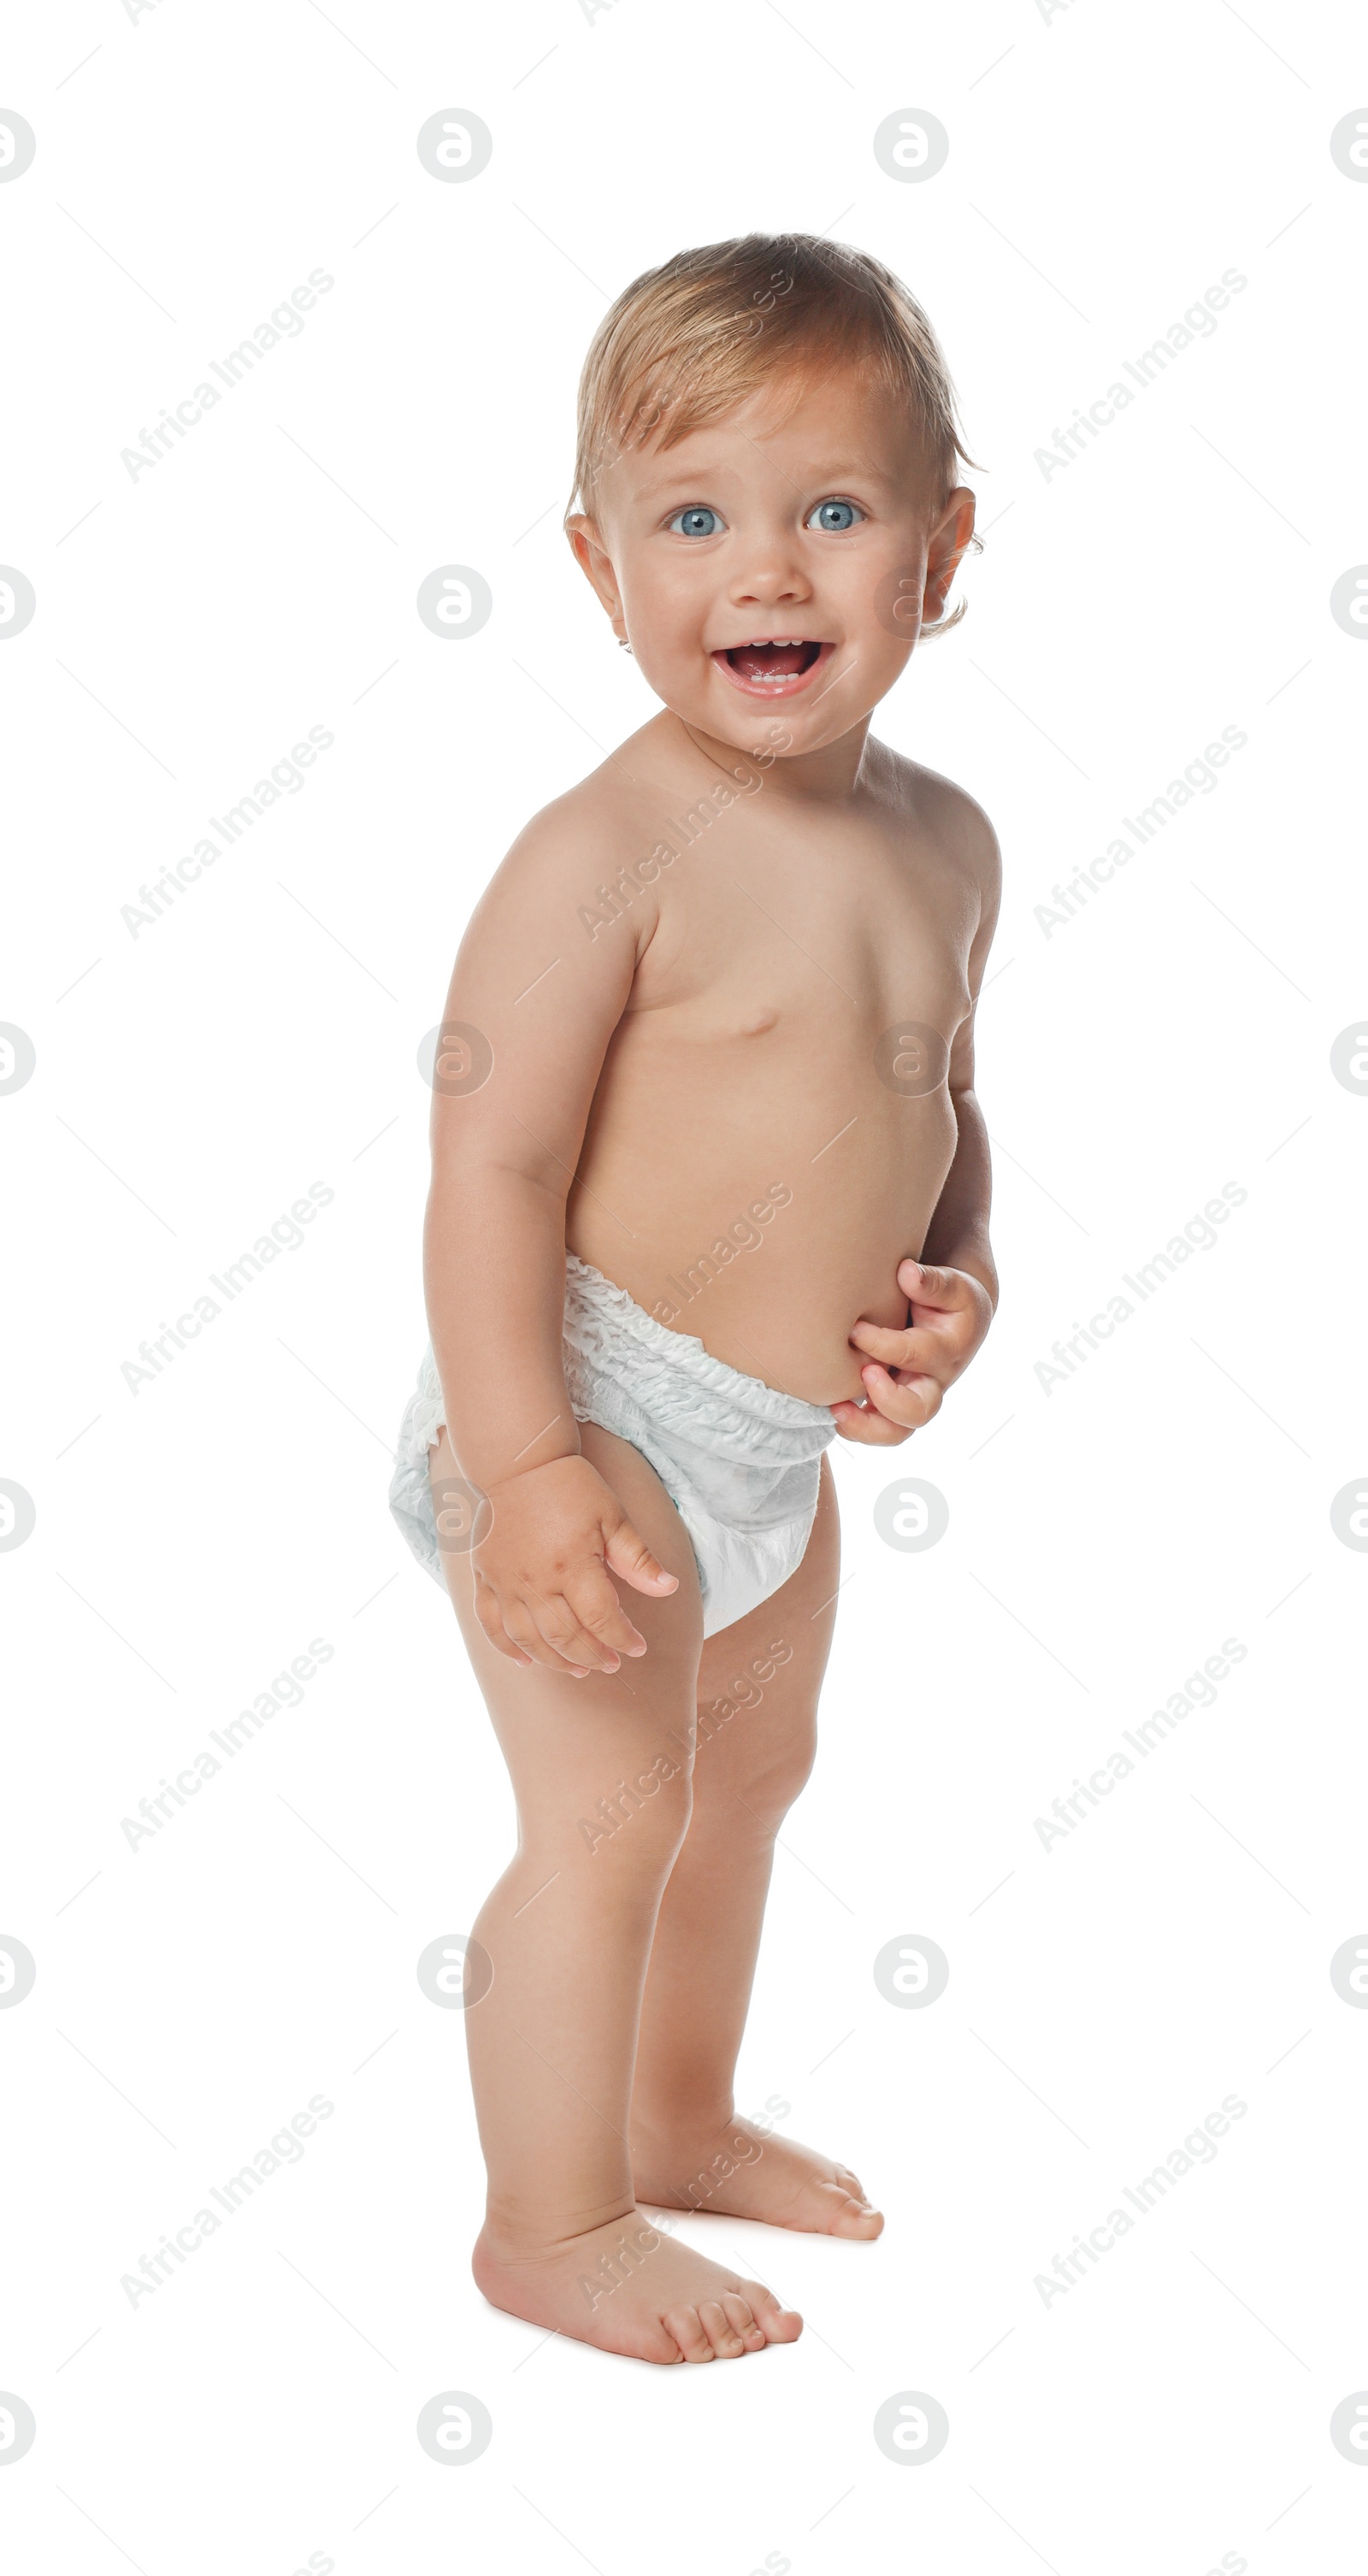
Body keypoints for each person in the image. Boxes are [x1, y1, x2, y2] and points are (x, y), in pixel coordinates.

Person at [390, 233, 999, 2365]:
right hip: (582, 1403)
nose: (767, 566)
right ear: (595, 565)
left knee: (750, 1778)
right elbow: (493, 1166)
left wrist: (963, 1283)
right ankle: (545, 2220)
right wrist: (529, 1464)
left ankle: (669, 2116)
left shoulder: (946, 842)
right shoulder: (606, 853)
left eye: (832, 510)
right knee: (608, 1812)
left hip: (760, 1445)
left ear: (940, 550)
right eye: (694, 518)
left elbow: (942, 1101)